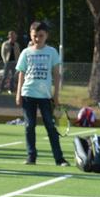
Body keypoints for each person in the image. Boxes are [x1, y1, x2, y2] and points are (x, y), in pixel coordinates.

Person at [15, 21, 69, 166]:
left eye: (41, 35)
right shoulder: (26, 53)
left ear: (46, 36)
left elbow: (57, 75)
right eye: (34, 36)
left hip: (45, 97)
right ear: (30, 35)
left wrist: (56, 95)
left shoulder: (52, 52)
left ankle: (59, 159)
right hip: (28, 94)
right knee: (29, 126)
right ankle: (31, 157)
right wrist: (18, 93)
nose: (37, 39)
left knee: (51, 127)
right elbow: (21, 74)